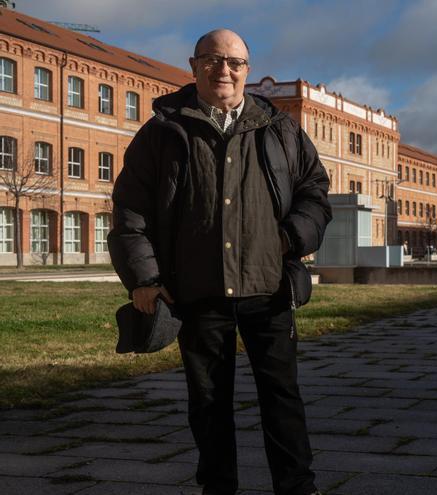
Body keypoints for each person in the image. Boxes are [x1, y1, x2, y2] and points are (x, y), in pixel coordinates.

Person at [108, 29, 330, 495]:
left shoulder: (279, 128)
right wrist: (144, 277)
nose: (223, 70)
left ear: (247, 71)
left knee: (282, 398)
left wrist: (292, 237)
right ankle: (218, 488)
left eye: (234, 62)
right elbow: (131, 209)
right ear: (193, 66)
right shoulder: (163, 132)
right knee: (208, 403)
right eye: (212, 60)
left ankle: (297, 487)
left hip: (269, 289)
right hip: (198, 290)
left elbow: (314, 190)